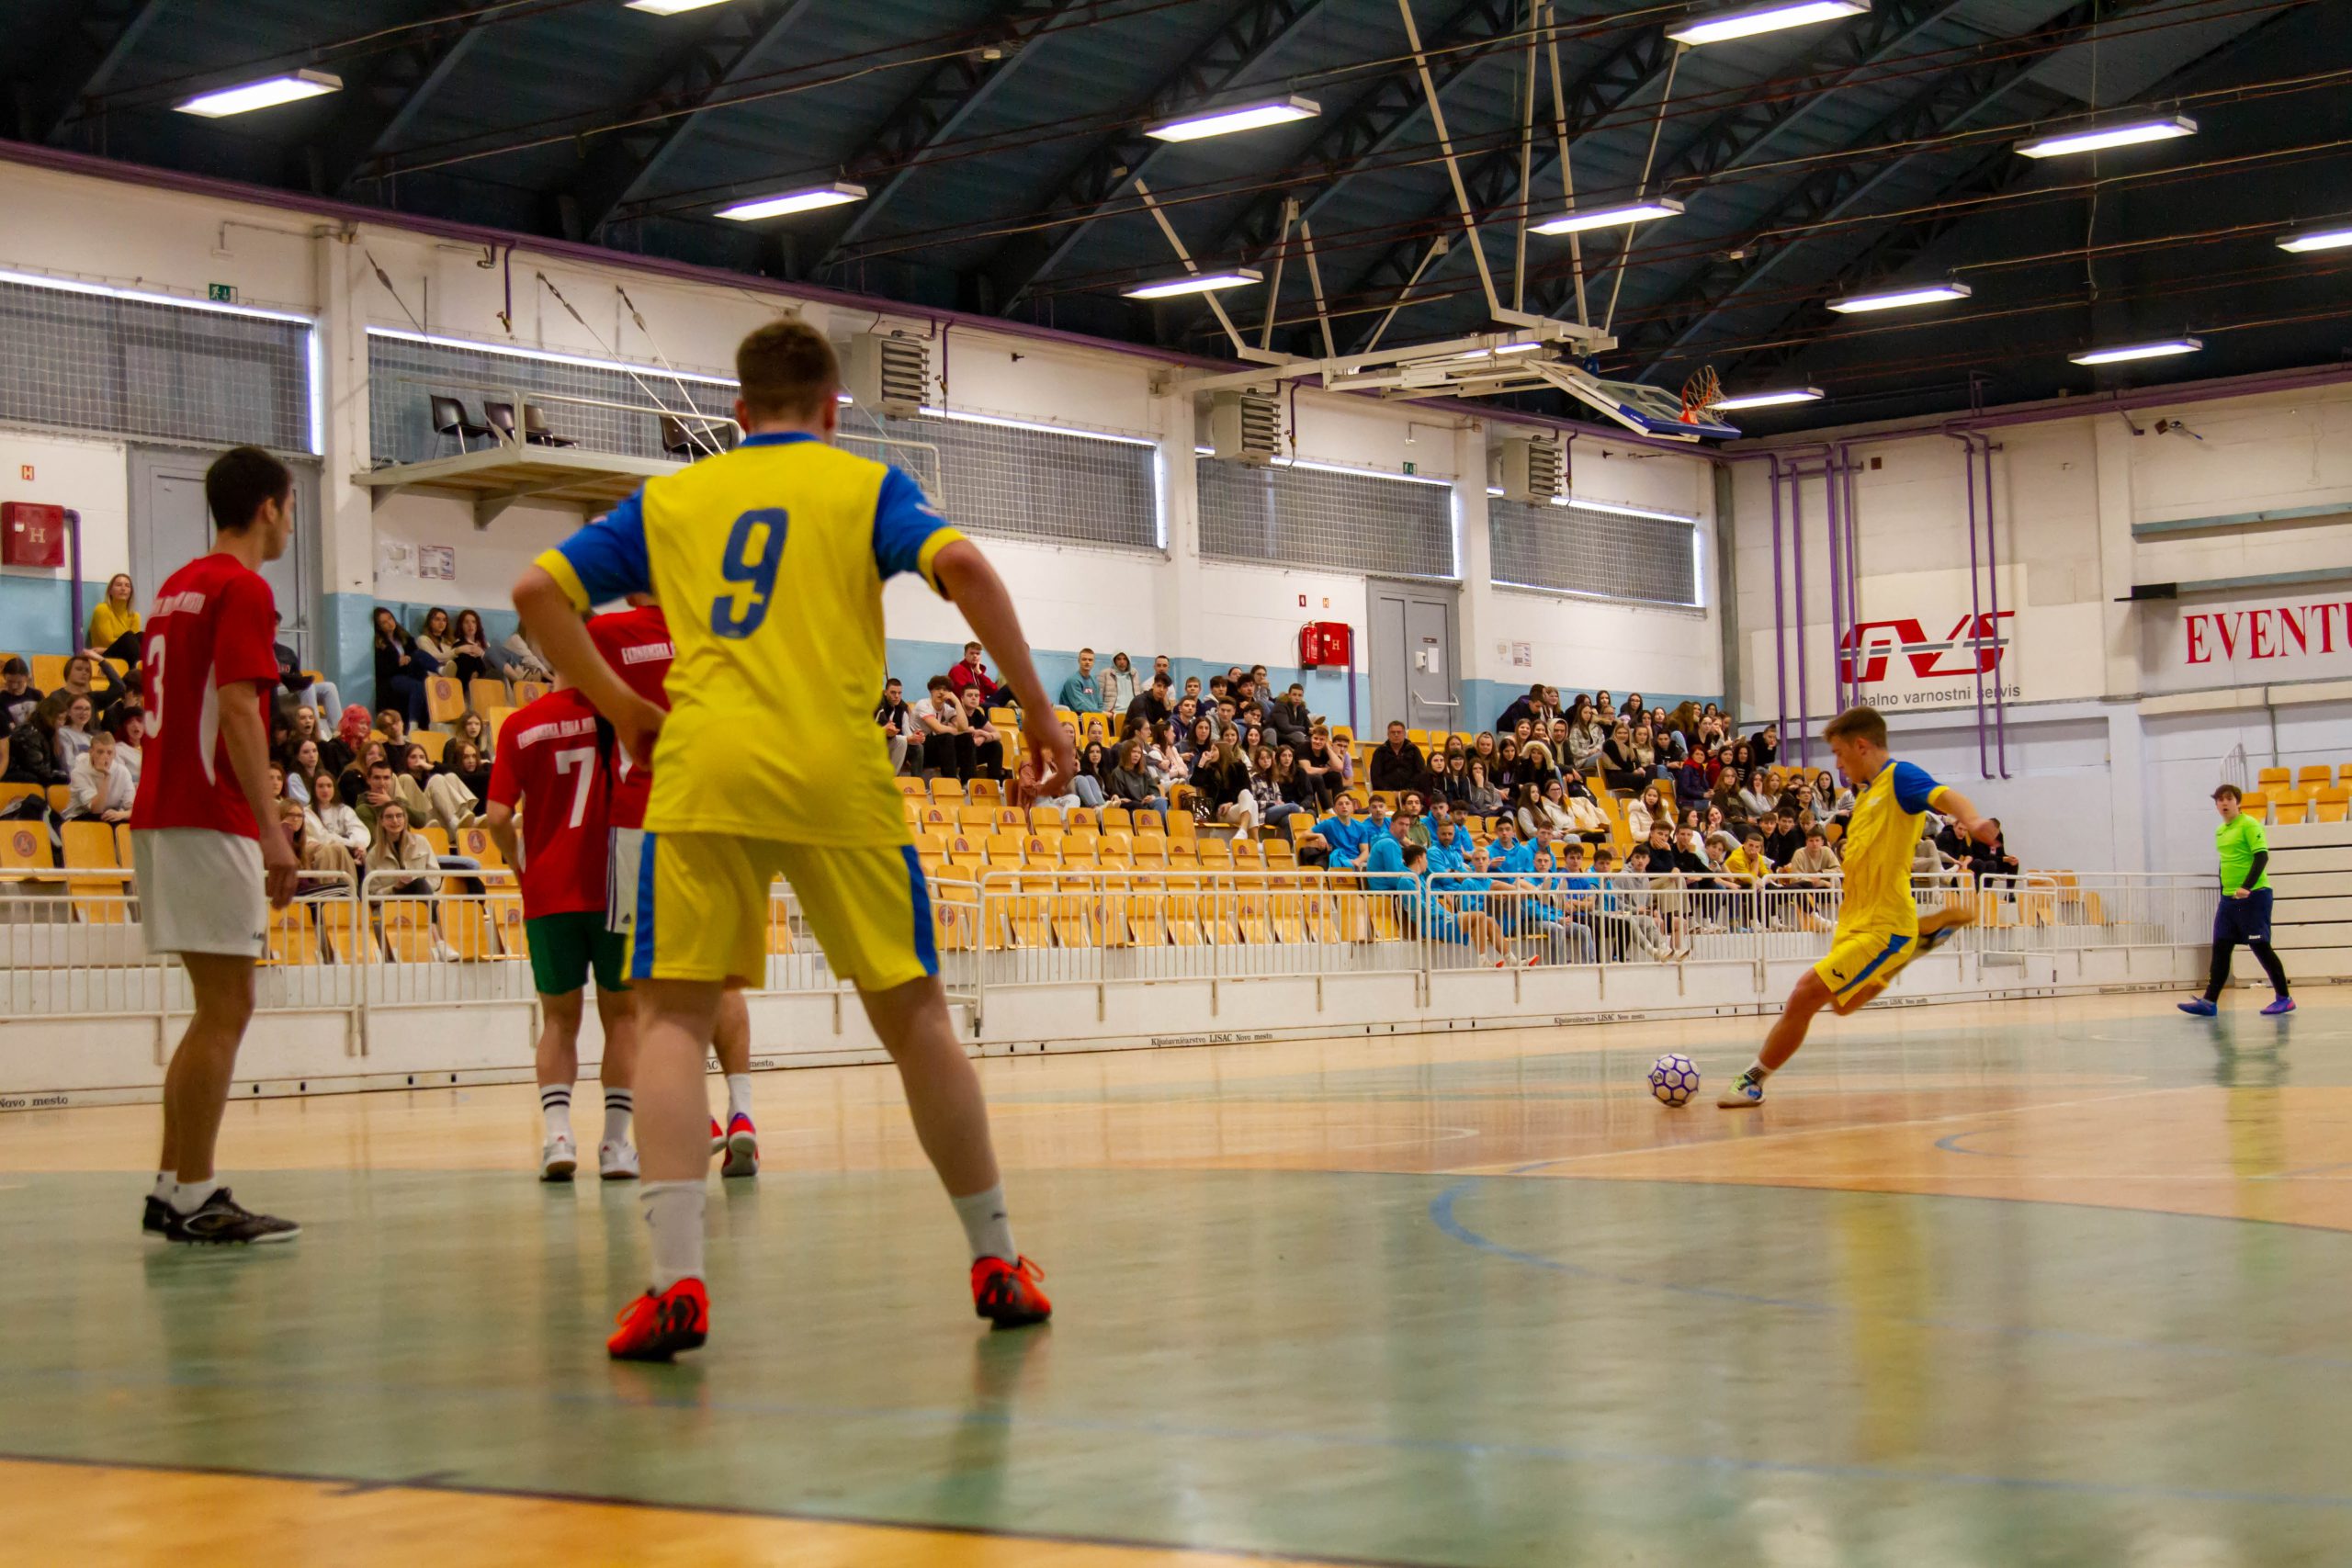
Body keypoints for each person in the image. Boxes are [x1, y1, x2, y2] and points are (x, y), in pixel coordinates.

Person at [514, 316, 1063, 1359]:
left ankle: (674, 1285)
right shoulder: (865, 487)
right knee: (916, 1017)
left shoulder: (673, 498)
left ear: (737, 412)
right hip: (833, 769)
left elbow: (537, 591)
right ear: (830, 410)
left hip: (704, 767)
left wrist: (619, 705)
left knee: (671, 1020)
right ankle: (995, 1258)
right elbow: (966, 566)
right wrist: (1036, 708)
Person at [129, 446, 303, 1245]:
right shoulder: (243, 588)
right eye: (291, 507)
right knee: (228, 1007)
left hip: (164, 809)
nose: (291, 522)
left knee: (212, 1009)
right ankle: (196, 1193)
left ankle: (173, 1183)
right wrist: (272, 829)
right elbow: (237, 708)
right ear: (268, 507)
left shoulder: (175, 587)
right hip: (209, 809)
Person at [1718, 705, 1993, 1110]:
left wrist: (1975, 820)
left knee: (1805, 993)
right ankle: (1918, 943)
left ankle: (1753, 1080)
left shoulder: (1900, 778)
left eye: (1839, 753)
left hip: (1885, 924)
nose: (1838, 764)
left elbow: (1946, 795)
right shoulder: (1865, 795)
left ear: (1861, 746)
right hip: (1854, 919)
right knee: (1842, 1004)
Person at [586, 601, 763, 1174]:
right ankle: (742, 1112)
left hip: (642, 818)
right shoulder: (725, 630)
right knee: (720, 974)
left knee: (651, 987)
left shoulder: (610, 632)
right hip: (717, 814)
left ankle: (697, 1116)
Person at [484, 667, 642, 1181]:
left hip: (549, 889)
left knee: (557, 1021)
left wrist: (518, 862)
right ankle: (616, 1145)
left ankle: (557, 1139)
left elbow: (497, 816)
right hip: (615, 884)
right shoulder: (619, 715)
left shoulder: (520, 725)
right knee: (623, 1019)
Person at [2179, 784, 2294, 1017]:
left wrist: (2246, 887)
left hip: (2254, 896)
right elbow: (2225, 863)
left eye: (2229, 799)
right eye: (2219, 800)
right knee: (2221, 946)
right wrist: (2225, 892)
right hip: (2229, 900)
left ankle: (2284, 998)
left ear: (2238, 802)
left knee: (2260, 947)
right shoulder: (2220, 831)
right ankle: (2209, 1002)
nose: (2224, 803)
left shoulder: (2249, 825)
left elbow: (2261, 856)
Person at [373, 608, 434, 729]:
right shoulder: (380, 645)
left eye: (390, 618)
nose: (390, 623)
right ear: (379, 627)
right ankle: (413, 723)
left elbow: (414, 654)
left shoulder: (405, 638)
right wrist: (398, 663)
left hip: (409, 672)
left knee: (420, 658)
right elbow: (382, 669)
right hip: (394, 678)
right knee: (417, 686)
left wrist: (408, 659)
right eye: (384, 622)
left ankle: (441, 669)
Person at [67, 728, 137, 822]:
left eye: (109, 753)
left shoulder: (123, 772)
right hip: (82, 817)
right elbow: (96, 809)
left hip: (111, 816)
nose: (105, 757)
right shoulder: (79, 772)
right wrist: (106, 776)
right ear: (91, 752)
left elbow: (134, 809)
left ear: (114, 754)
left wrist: (121, 815)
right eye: (100, 752)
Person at [917, 674, 976, 781]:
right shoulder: (923, 704)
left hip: (939, 750)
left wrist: (957, 702)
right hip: (919, 748)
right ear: (931, 691)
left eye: (945, 690)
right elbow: (939, 729)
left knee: (966, 738)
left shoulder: (948, 709)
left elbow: (963, 726)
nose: (941, 692)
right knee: (947, 737)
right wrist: (961, 730)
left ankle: (967, 781)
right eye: (937, 689)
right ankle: (950, 780)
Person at [304, 768, 369, 861]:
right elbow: (323, 838)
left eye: (329, 786)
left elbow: (359, 830)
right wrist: (351, 844)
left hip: (349, 854)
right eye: (320, 786)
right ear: (314, 789)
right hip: (322, 858)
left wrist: (359, 847)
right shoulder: (307, 813)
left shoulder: (344, 810)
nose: (325, 790)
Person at [89, 573, 142, 667]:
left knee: (142, 636)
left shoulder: (135, 616)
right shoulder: (102, 609)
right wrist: (107, 649)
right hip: (103, 658)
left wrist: (104, 649)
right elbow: (108, 641)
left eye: (127, 586)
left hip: (116, 653)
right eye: (118, 585)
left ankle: (139, 671)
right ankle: (136, 672)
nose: (123, 588)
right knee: (129, 638)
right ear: (110, 591)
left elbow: (135, 645)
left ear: (131, 592)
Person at [1369, 721, 1424, 794]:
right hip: (1386, 793)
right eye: (1393, 732)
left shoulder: (1413, 750)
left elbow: (1421, 772)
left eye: (1399, 732)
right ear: (1388, 734)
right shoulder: (1380, 752)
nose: (1396, 735)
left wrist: (1409, 790)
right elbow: (1376, 776)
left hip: (1411, 792)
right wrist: (1389, 791)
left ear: (1404, 734)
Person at [946, 640, 1003, 708]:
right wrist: (981, 701)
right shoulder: (957, 670)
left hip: (983, 700)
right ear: (965, 654)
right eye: (972, 653)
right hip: (969, 703)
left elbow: (994, 690)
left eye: (978, 653)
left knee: (1008, 689)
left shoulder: (977, 671)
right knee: (994, 706)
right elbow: (962, 693)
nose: (975, 656)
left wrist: (980, 674)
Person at [874, 677, 912, 773]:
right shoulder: (876, 703)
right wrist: (886, 730)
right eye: (893, 693)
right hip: (871, 741)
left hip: (885, 740)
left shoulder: (902, 707)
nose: (897, 696)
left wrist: (913, 737)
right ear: (885, 692)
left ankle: (893, 777)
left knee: (905, 742)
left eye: (899, 693)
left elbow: (905, 730)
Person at [1058, 648, 1102, 715]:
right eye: (1084, 659)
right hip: (1076, 717)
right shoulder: (1073, 681)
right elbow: (1079, 706)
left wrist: (1101, 714)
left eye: (1090, 660)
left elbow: (1100, 704)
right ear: (1079, 661)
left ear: (1093, 662)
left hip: (1094, 716)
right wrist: (1101, 713)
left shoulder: (1095, 681)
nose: (1087, 662)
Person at [1101, 650, 1139, 716]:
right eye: (1119, 659)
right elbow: (1098, 696)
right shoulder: (1105, 673)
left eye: (1125, 659)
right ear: (1114, 661)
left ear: (1128, 661)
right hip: (1113, 713)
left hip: (1132, 712)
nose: (1122, 662)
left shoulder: (1134, 673)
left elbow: (1138, 694)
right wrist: (1105, 712)